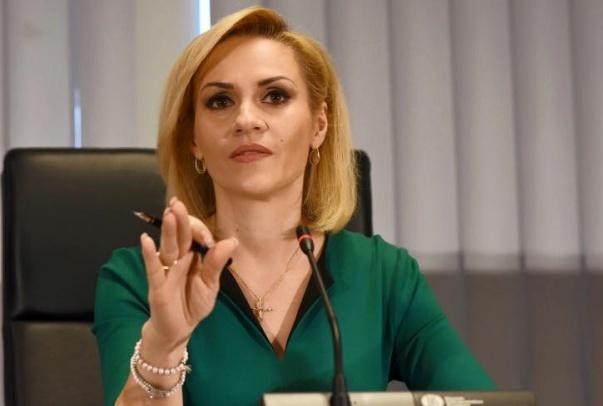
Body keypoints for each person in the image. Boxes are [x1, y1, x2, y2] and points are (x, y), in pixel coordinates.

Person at [93, 6, 495, 406]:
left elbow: (480, 401)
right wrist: (163, 345)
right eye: (220, 101)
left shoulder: (385, 275)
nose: (246, 119)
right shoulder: (142, 278)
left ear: (319, 125)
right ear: (193, 139)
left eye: (275, 96)